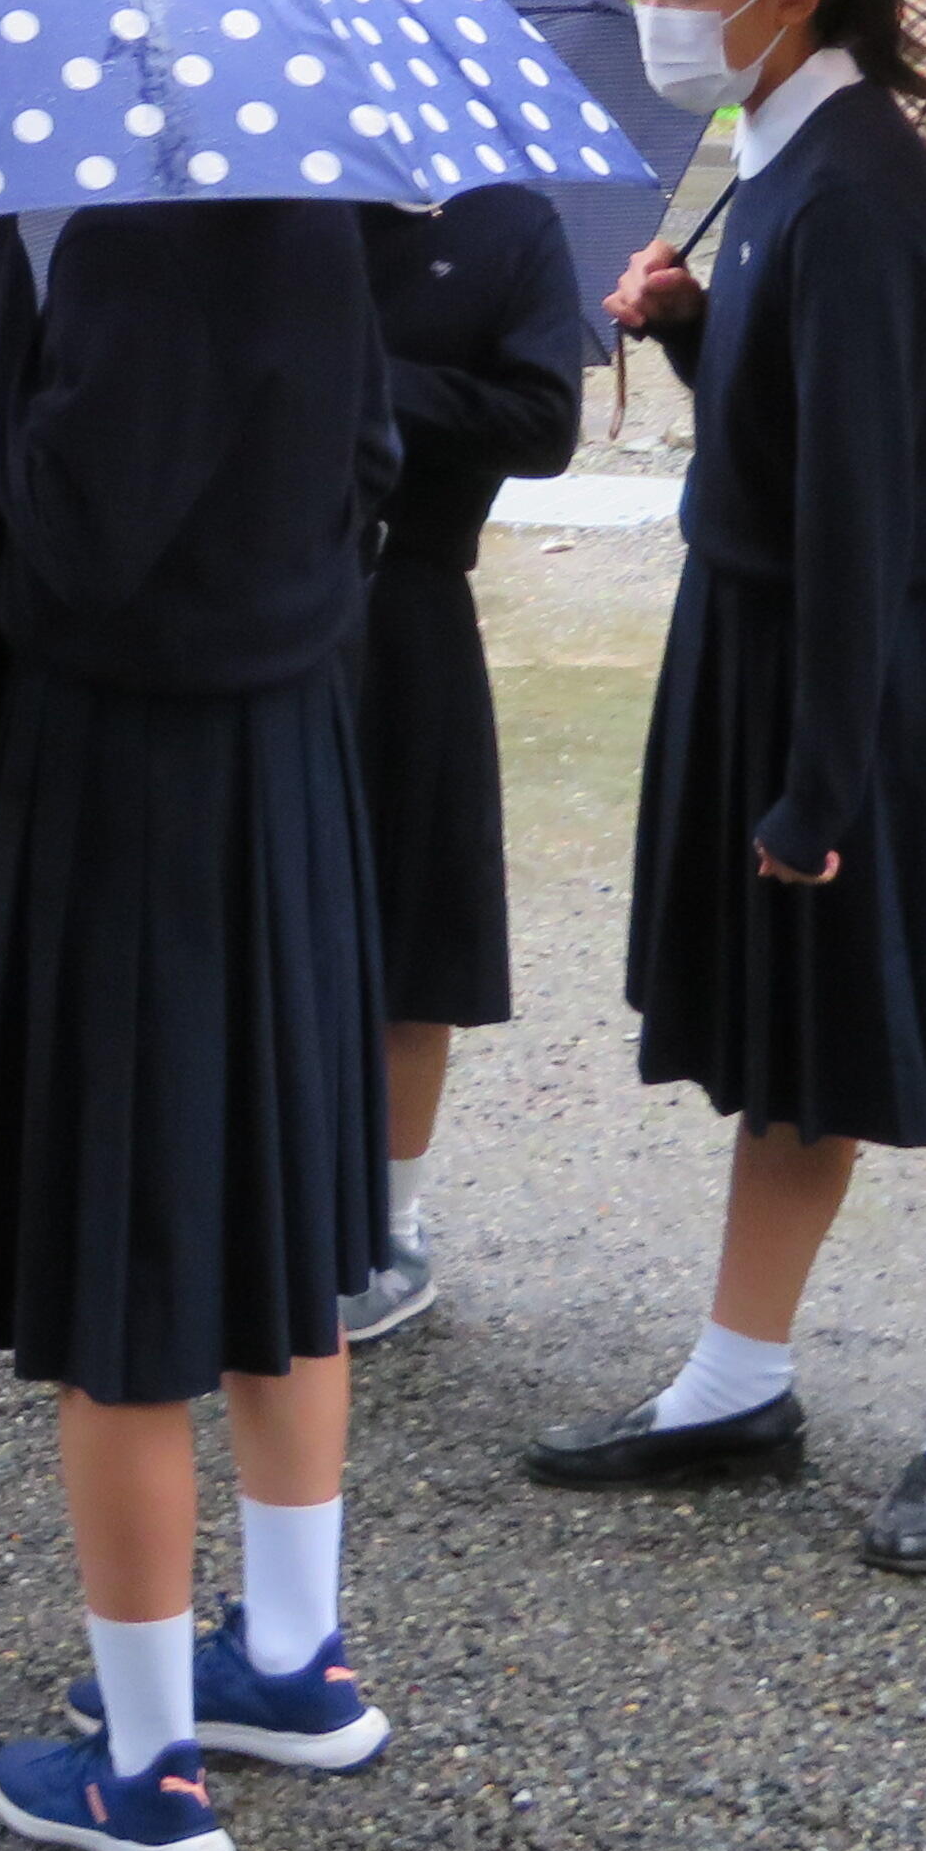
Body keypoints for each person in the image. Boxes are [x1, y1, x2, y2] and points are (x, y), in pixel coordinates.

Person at [520, 0, 926, 1578]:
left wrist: (814, 790)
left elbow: (852, 515)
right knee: (794, 1049)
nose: (655, 11)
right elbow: (795, 424)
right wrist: (691, 328)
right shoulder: (776, 158)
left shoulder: (856, 193)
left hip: (874, 682)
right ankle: (732, 1380)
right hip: (780, 650)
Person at [0, 199, 399, 1851]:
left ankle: (141, 1768)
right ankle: (291, 1654)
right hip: (286, 750)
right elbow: (371, 455)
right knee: (279, 1226)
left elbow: (74, 533)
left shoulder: (119, 238)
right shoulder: (307, 212)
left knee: (119, 1273)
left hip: (128, 779)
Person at [338, 180, 591, 1344]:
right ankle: (261, 1191)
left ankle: (391, 1225)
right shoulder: (281, 194)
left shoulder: (509, 224)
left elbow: (541, 424)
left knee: (412, 926)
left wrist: (369, 382)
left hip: (412, 598)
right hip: (257, 598)